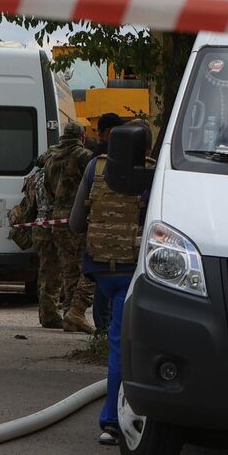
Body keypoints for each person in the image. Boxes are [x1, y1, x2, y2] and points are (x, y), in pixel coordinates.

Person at [69, 120, 154, 445]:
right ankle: (112, 422)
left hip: (99, 270)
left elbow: (77, 223)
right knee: (124, 347)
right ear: (146, 147)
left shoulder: (94, 166)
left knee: (112, 336)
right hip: (133, 273)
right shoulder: (154, 173)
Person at [43, 121, 95, 333]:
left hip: (57, 218)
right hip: (77, 218)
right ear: (81, 137)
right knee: (87, 265)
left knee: (68, 268)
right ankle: (76, 311)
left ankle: (69, 315)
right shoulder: (83, 156)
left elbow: (47, 186)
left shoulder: (50, 157)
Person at [89, 112, 126, 332]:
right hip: (108, 230)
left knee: (103, 281)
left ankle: (103, 330)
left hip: (101, 229)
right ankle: (104, 328)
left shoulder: (97, 158)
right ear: (104, 133)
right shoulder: (102, 159)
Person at [18, 155, 61, 329]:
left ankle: (45, 312)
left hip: (38, 226)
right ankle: (50, 314)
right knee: (54, 273)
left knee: (44, 271)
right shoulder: (56, 176)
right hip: (52, 226)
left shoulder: (34, 178)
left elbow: (30, 205)